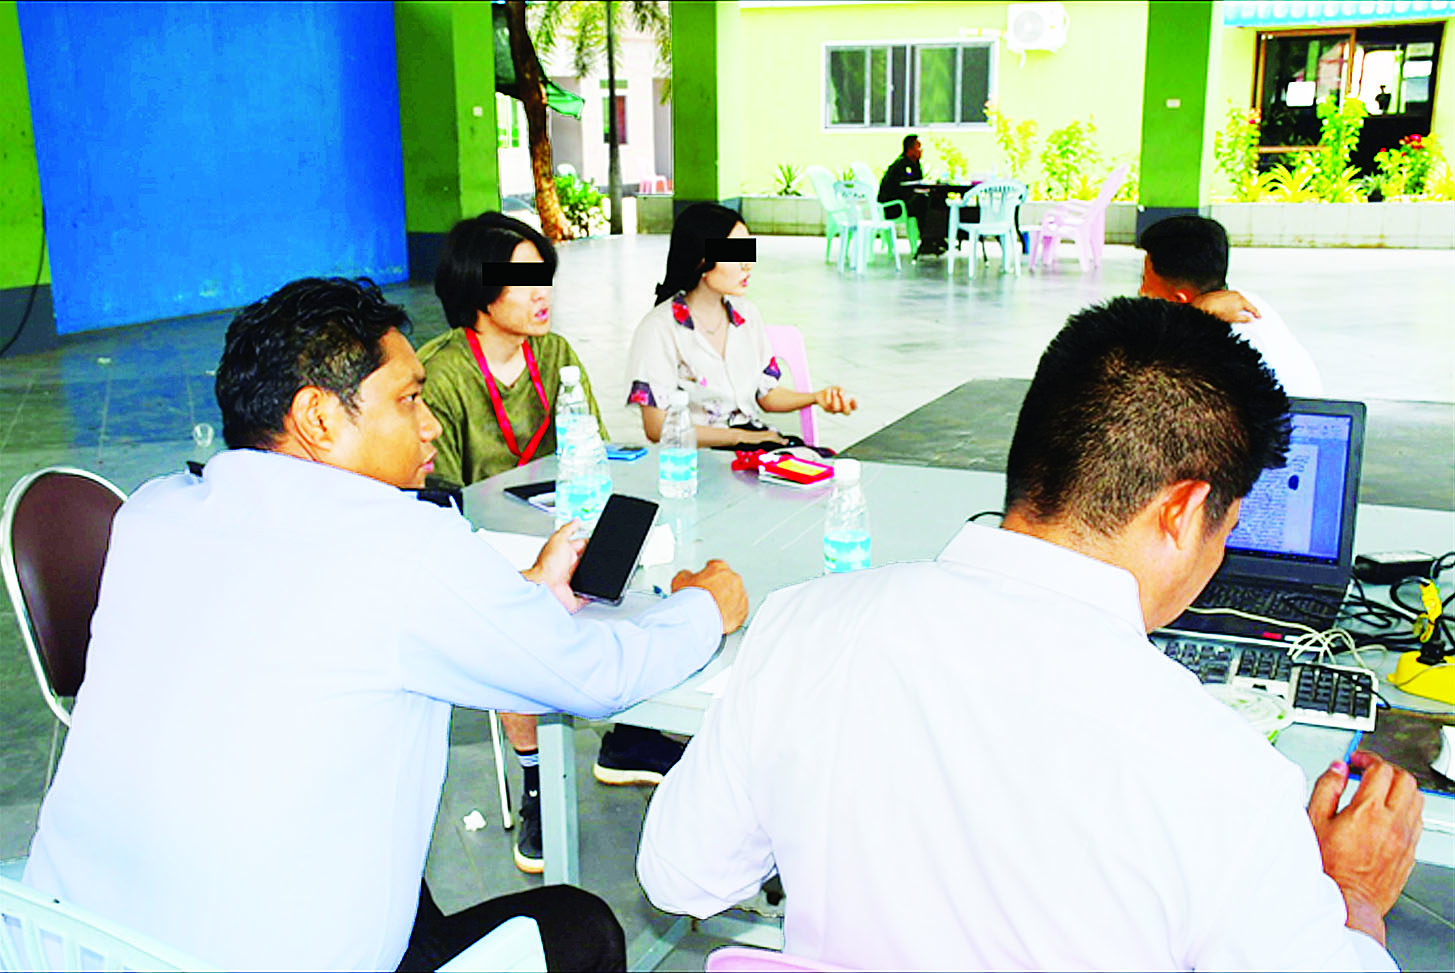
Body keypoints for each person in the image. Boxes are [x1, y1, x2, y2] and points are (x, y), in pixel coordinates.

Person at [637, 297, 1421, 970]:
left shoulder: (804, 625)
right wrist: (1351, 896)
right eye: (1229, 522)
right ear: (1183, 512)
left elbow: (681, 875)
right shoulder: (1224, 774)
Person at [23, 277, 749, 972]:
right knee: (581, 926)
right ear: (317, 418)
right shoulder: (403, 546)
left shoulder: (153, 511)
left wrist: (516, 597)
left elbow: (307, 621)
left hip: (67, 941)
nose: (429, 424)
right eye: (408, 400)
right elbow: (597, 677)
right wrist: (705, 606)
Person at [418, 212, 686, 876]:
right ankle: (537, 775)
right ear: (478, 289)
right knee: (516, 620)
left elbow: (591, 447)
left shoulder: (556, 353)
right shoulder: (440, 373)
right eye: (524, 281)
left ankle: (627, 734)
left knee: (642, 554)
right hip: (486, 545)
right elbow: (436, 497)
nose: (544, 295)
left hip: (562, 520)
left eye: (546, 278)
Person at [626, 203, 858, 449]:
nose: (748, 264)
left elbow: (767, 395)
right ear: (701, 260)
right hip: (695, 459)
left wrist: (816, 398)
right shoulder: (658, 329)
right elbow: (657, 427)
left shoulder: (747, 314)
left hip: (755, 448)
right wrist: (741, 438)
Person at [1138, 213, 1325, 396]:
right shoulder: (1245, 299)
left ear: (1179, 299)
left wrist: (1194, 317)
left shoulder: (1224, 342)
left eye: (1145, 282)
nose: (1141, 292)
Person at [877, 133, 947, 255]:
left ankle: (937, 238)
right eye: (918, 147)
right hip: (893, 205)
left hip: (906, 201)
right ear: (910, 149)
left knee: (936, 198)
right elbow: (905, 188)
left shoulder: (915, 164)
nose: (921, 150)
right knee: (923, 202)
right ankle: (927, 240)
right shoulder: (900, 166)